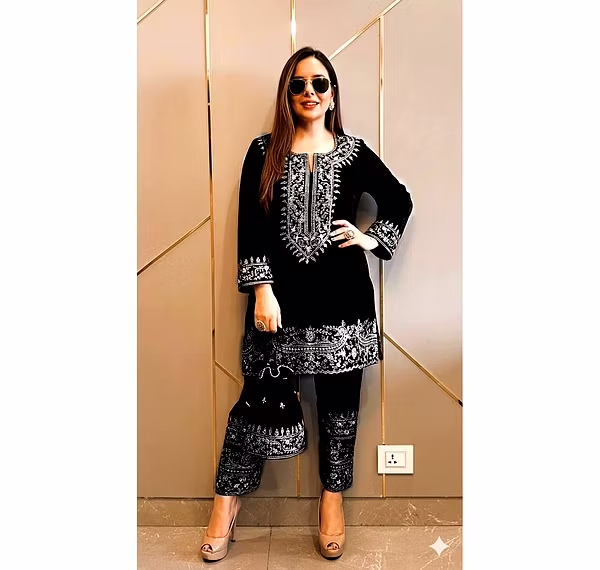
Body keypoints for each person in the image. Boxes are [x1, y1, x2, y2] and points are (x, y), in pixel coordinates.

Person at [200, 46, 413, 562]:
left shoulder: (354, 153)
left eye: (319, 84)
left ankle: (332, 501)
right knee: (256, 402)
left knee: (341, 409)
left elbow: (399, 199)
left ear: (332, 94)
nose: (309, 92)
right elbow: (251, 223)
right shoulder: (264, 151)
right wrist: (262, 290)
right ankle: (225, 506)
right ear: (287, 94)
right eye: (298, 84)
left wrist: (368, 238)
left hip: (344, 306)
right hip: (280, 304)